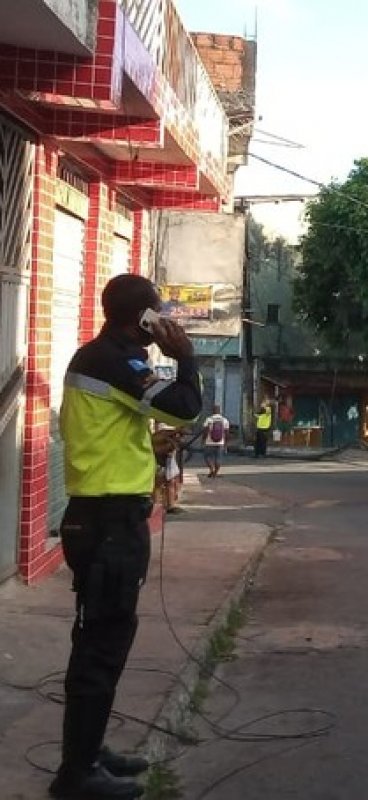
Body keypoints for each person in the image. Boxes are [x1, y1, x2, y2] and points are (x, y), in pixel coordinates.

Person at [52, 274, 202, 799]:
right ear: (144, 318)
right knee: (101, 647)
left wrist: (148, 448)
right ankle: (77, 774)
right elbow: (184, 406)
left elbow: (112, 430)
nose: (165, 322)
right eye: (158, 313)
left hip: (104, 518)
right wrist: (185, 356)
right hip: (108, 524)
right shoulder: (115, 361)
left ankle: (89, 752)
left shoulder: (100, 358)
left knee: (104, 641)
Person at [202, 404, 230, 478]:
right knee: (218, 458)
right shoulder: (224, 420)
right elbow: (227, 433)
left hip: (209, 442)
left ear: (213, 411)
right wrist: (226, 444)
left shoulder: (209, 419)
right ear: (219, 411)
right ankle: (216, 472)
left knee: (207, 457)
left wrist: (203, 440)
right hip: (220, 442)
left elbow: (205, 431)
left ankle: (211, 469)